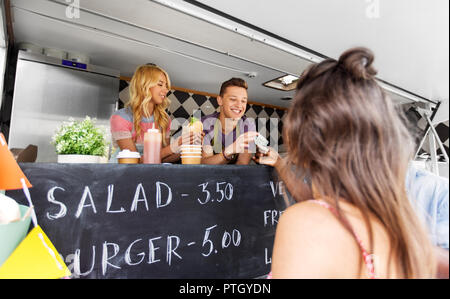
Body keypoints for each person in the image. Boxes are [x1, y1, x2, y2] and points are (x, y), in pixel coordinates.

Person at [254, 47, 437, 278]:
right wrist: (280, 163)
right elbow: (322, 201)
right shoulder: (403, 227)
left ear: (302, 131)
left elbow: (321, 210)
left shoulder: (307, 223)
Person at [109, 64, 186, 163]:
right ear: (144, 86)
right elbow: (134, 162)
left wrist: (183, 147)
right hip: (122, 174)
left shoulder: (164, 119)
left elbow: (163, 158)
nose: (166, 90)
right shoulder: (121, 118)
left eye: (166, 86)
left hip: (151, 173)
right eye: (160, 84)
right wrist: (172, 148)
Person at [201, 78, 258, 165]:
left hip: (234, 177)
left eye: (243, 101)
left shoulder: (248, 125)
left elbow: (242, 163)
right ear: (220, 100)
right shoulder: (205, 124)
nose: (239, 105)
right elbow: (205, 164)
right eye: (233, 99)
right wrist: (229, 151)